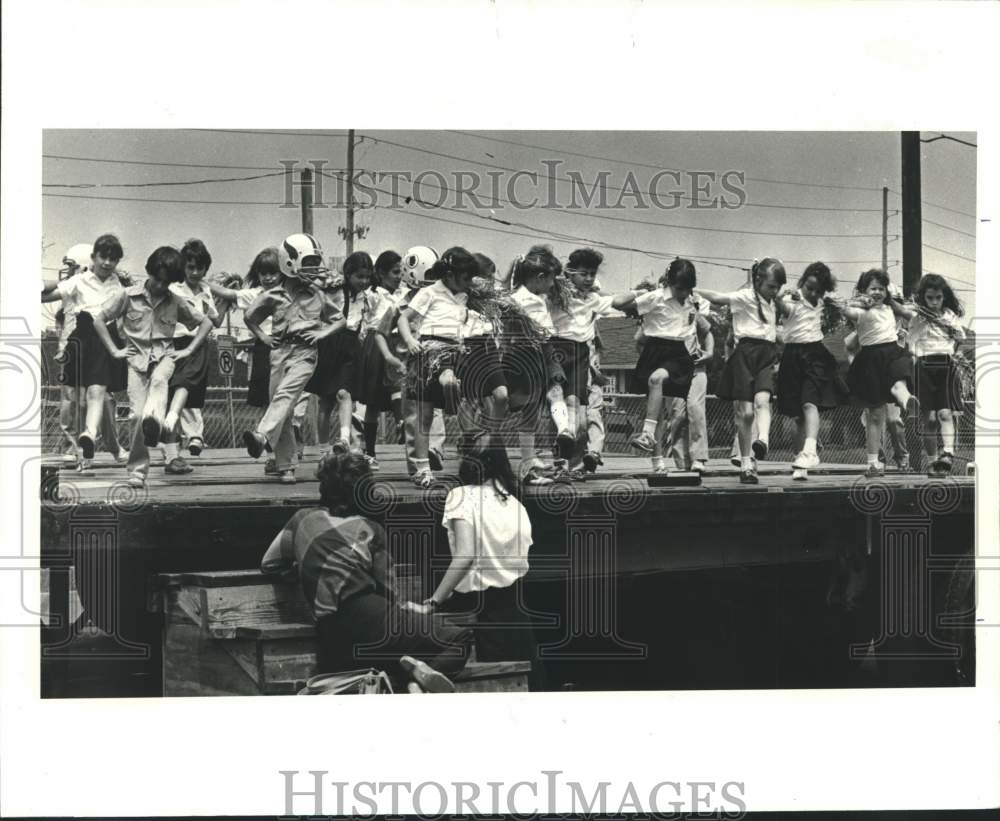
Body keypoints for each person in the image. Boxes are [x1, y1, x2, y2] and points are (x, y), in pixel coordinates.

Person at [260, 450, 471, 693]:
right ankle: (416, 684)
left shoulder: (301, 520)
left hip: (331, 637)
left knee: (384, 660)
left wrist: (300, 570)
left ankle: (411, 677)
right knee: (459, 639)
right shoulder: (370, 529)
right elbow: (390, 592)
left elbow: (269, 563)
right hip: (370, 618)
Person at [412, 435, 541, 689]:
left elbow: (465, 555)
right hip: (516, 615)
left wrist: (433, 601)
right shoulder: (516, 504)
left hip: (481, 616)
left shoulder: (461, 496)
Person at [91, 246, 213, 488]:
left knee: (159, 381)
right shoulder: (127, 296)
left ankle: (155, 420)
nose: (160, 286)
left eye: (166, 283)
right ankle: (137, 469)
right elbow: (98, 320)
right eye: (157, 279)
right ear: (150, 272)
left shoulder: (175, 301)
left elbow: (206, 322)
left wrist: (188, 349)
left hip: (165, 357)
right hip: (136, 362)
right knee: (136, 416)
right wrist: (115, 350)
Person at [242, 233, 344, 484]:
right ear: (289, 262)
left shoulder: (318, 294)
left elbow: (339, 319)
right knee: (282, 408)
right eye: (308, 262)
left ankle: (262, 435)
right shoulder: (273, 295)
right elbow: (249, 317)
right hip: (278, 352)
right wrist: (263, 338)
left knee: (286, 396)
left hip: (305, 354)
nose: (313, 268)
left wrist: (322, 333)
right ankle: (286, 466)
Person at [397, 247, 501, 488]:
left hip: (457, 351)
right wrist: (411, 341)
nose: (467, 283)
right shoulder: (429, 292)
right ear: (451, 274)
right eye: (465, 278)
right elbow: (404, 319)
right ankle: (423, 470)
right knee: (424, 415)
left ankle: (453, 398)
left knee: (467, 396)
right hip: (430, 349)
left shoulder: (466, 295)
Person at [547, 248, 640, 479]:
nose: (589, 279)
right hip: (557, 350)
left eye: (592, 274)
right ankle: (560, 464)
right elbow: (548, 283)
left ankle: (576, 466)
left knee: (578, 414)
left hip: (580, 355)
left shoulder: (593, 299)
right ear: (570, 273)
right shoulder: (557, 294)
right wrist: (563, 277)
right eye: (583, 274)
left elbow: (617, 301)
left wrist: (642, 292)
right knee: (559, 415)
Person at [41, 233, 129, 467]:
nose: (108, 263)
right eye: (104, 257)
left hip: (106, 341)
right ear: (93, 258)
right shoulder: (79, 280)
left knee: (103, 399)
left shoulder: (117, 283)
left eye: (113, 259)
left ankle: (112, 446)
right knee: (77, 400)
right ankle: (79, 449)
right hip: (80, 341)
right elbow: (51, 292)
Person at [698, 258, 787, 484]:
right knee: (745, 414)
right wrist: (694, 290)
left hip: (766, 354)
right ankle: (746, 463)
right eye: (771, 286)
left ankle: (763, 441)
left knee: (763, 402)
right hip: (745, 353)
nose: (774, 291)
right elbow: (719, 298)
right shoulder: (745, 297)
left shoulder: (775, 302)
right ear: (758, 282)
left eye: (778, 287)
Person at [774, 262, 849, 480]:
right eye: (810, 288)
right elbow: (783, 309)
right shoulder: (791, 299)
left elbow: (842, 307)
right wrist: (779, 297)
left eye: (818, 291)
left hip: (815, 354)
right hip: (792, 355)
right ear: (802, 282)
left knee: (809, 402)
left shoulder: (823, 302)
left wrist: (834, 301)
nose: (813, 293)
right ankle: (801, 462)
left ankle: (810, 449)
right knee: (798, 416)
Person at [842, 268, 919, 478]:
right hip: (871, 359)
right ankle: (873, 462)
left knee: (898, 383)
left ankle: (907, 401)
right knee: (874, 416)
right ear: (864, 291)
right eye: (872, 288)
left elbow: (909, 313)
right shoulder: (862, 311)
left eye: (881, 288)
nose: (877, 292)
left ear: (886, 291)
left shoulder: (889, 308)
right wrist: (850, 304)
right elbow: (849, 313)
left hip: (892, 352)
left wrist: (896, 303)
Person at [626, 259, 702, 463]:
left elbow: (711, 313)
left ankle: (647, 433)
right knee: (656, 409)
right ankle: (657, 460)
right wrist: (637, 293)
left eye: (688, 288)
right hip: (654, 350)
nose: (683, 293)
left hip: (677, 354)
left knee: (657, 379)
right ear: (669, 283)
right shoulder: (656, 297)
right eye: (679, 288)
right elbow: (622, 305)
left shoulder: (693, 301)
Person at [890, 273, 966, 475]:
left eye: (938, 298)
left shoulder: (949, 316)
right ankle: (933, 462)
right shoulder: (916, 316)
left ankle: (948, 453)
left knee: (945, 413)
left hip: (945, 365)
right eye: (929, 298)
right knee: (930, 419)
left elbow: (960, 338)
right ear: (923, 297)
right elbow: (897, 308)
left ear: (944, 297)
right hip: (923, 366)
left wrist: (954, 354)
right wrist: (887, 291)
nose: (934, 302)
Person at [162, 239, 224, 472]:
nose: (195, 272)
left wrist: (224, 300)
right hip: (173, 342)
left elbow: (214, 320)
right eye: (190, 267)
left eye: (200, 268)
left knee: (184, 388)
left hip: (197, 345)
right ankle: (171, 457)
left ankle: (175, 430)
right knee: (175, 392)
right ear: (183, 267)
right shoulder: (174, 288)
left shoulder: (206, 291)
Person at [305, 251, 375, 456]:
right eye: (359, 276)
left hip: (351, 347)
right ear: (348, 274)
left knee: (344, 394)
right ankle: (324, 449)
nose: (363, 281)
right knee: (325, 402)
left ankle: (344, 439)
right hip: (330, 345)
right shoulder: (335, 290)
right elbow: (315, 291)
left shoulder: (367, 296)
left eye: (367, 277)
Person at [506, 246, 565, 485]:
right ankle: (526, 465)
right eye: (551, 279)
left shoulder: (515, 297)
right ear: (540, 278)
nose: (553, 285)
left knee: (529, 412)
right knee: (529, 414)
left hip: (519, 356)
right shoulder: (530, 302)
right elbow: (544, 336)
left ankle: (528, 461)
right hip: (529, 357)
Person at [655, 293, 714, 473]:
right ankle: (682, 462)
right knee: (678, 415)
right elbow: (641, 339)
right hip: (675, 371)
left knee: (695, 408)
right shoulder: (660, 316)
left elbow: (707, 332)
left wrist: (709, 352)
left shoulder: (692, 311)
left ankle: (699, 458)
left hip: (696, 368)